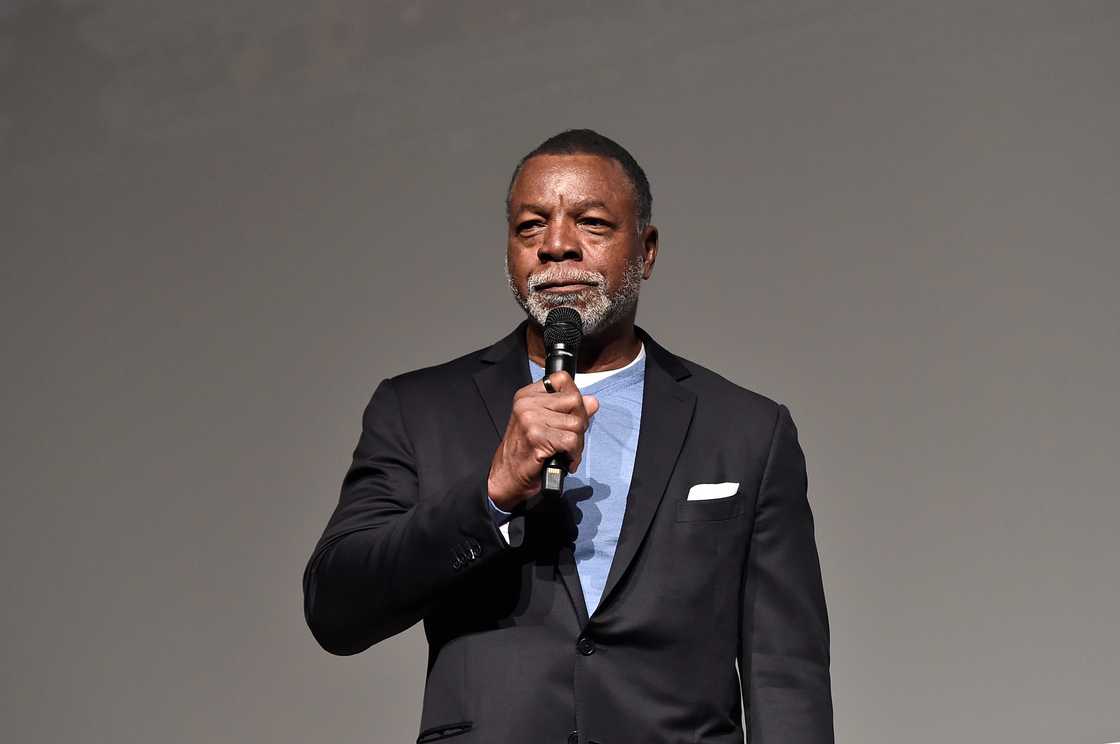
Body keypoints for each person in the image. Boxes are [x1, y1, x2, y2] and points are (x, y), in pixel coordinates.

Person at [302, 129, 833, 744]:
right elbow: (335, 608)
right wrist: (492, 494)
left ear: (648, 250)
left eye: (592, 223)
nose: (556, 246)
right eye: (530, 226)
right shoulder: (418, 408)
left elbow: (785, 674)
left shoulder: (745, 430)